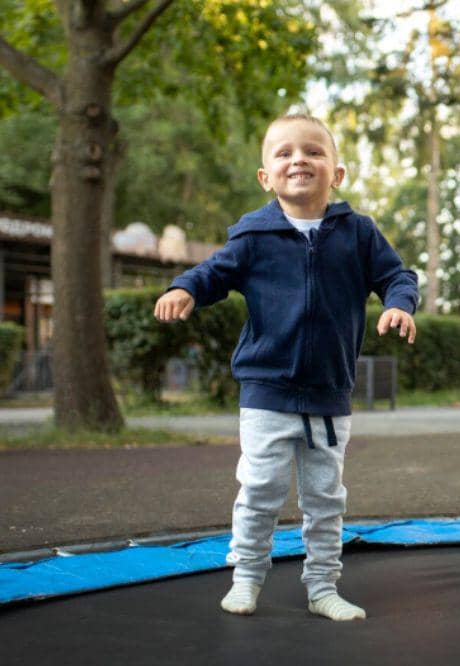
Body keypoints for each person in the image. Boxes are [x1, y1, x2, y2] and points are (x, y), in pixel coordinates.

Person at [154, 114, 418, 621]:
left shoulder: (359, 233)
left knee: (325, 498)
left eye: (314, 152)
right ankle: (246, 578)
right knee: (260, 491)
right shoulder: (254, 236)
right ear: (265, 177)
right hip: (266, 391)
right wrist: (184, 287)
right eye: (285, 153)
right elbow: (214, 272)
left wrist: (399, 304)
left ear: (337, 173)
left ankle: (322, 587)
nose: (299, 160)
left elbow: (397, 276)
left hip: (329, 394)